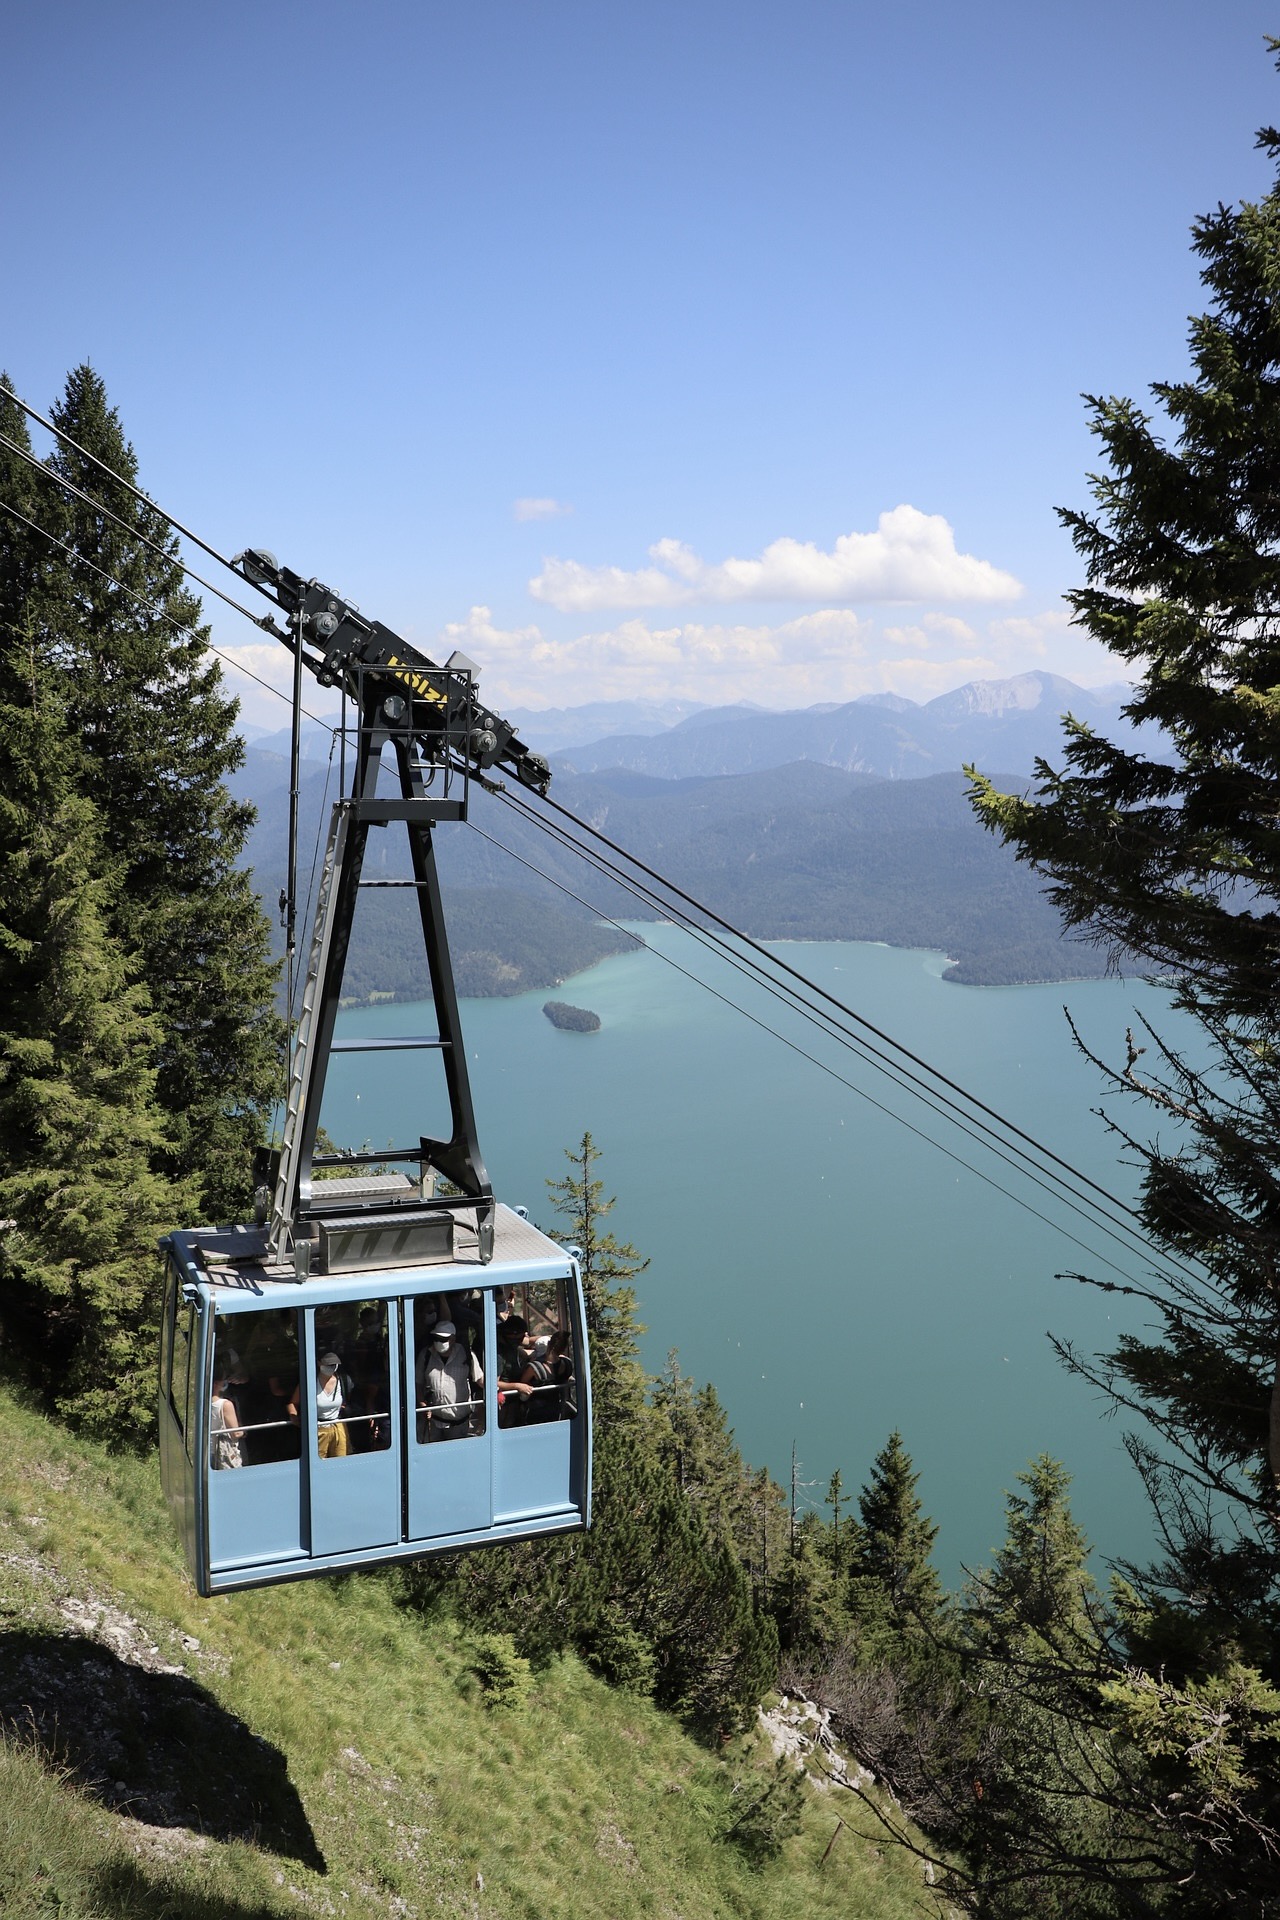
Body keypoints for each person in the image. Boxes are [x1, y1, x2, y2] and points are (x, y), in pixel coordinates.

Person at [418, 1322, 483, 1441]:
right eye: (436, 1338)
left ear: (453, 1339)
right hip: (432, 1424)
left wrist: (497, 1391)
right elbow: (418, 1383)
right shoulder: (426, 1355)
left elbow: (480, 1379)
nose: (439, 1342)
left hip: (459, 1425)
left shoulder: (466, 1355)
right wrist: (422, 1404)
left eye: (443, 1339)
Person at [288, 1352, 348, 1458]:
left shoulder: (343, 1380)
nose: (331, 1367)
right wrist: (294, 1417)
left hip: (338, 1428)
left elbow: (346, 1400)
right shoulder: (309, 1383)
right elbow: (293, 1403)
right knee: (318, 1462)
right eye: (328, 1364)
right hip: (317, 1430)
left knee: (340, 1461)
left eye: (334, 1364)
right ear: (318, 1363)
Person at [210, 1368, 244, 1469]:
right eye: (224, 1380)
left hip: (209, 1451)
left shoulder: (202, 1403)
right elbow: (236, 1433)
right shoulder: (225, 1405)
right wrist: (243, 1430)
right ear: (216, 1383)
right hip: (223, 1454)